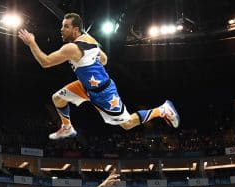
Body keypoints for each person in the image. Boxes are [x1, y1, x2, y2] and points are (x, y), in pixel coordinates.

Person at [17, 13, 179, 139]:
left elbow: (45, 62)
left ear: (75, 29)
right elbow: (104, 59)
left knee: (127, 124)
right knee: (57, 99)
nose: (61, 29)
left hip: (103, 93)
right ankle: (67, 127)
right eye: (62, 26)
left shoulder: (71, 48)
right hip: (86, 86)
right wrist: (90, 66)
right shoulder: (89, 39)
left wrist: (31, 43)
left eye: (65, 26)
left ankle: (162, 110)